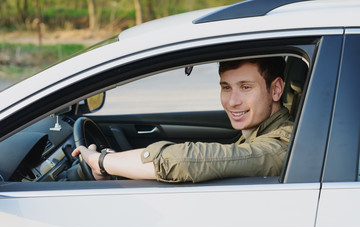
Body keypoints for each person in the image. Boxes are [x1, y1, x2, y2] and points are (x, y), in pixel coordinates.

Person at [72, 57, 294, 183]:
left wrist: (102, 162)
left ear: (275, 90)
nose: (232, 101)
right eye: (226, 88)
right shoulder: (258, 132)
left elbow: (184, 161)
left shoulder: (281, 146)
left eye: (246, 87)